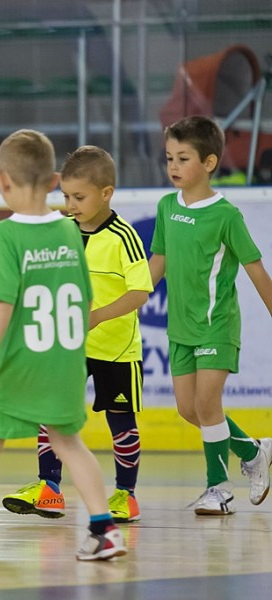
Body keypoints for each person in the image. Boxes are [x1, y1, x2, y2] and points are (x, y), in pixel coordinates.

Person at [0, 129, 127, 563]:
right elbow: (82, 297)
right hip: (64, 359)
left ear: (3, 180)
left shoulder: (7, 236)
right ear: (53, 180)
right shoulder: (69, 231)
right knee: (69, 443)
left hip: (19, 361)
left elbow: (2, 302)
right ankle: (103, 529)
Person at [1, 145, 152, 524]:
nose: (70, 204)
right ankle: (49, 488)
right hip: (67, 346)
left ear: (107, 193)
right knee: (48, 412)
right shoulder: (62, 230)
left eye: (79, 197)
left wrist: (98, 316)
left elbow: (140, 292)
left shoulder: (124, 236)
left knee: (121, 421)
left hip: (116, 351)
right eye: (66, 196)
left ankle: (126, 494)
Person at [148, 116, 272, 515]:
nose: (173, 166)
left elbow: (257, 272)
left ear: (210, 162)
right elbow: (156, 264)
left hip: (217, 326)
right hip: (180, 329)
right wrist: (125, 301)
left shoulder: (226, 216)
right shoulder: (167, 207)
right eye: (169, 157)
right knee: (189, 409)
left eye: (183, 158)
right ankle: (254, 451)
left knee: (206, 402)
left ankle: (218, 488)